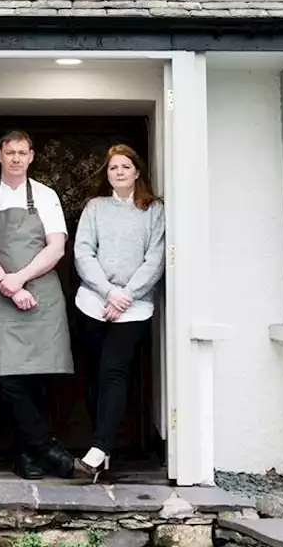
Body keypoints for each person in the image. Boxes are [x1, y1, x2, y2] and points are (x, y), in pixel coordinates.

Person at [0, 130, 76, 480]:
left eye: (22, 152)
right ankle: (46, 446)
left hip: (42, 296)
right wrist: (8, 285)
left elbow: (56, 248)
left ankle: (26, 456)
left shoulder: (46, 196)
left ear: (32, 157)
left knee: (38, 378)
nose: (16, 158)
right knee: (6, 378)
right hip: (3, 297)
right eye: (10, 152)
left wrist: (22, 278)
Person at [71, 144, 166, 482]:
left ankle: (97, 451)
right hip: (94, 302)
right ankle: (103, 450)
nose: (120, 172)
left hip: (133, 306)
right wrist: (108, 291)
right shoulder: (95, 208)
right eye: (113, 168)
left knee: (114, 371)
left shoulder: (153, 210)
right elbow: (83, 251)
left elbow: (156, 257)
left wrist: (126, 294)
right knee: (94, 375)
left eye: (126, 166)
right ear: (108, 174)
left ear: (137, 171)